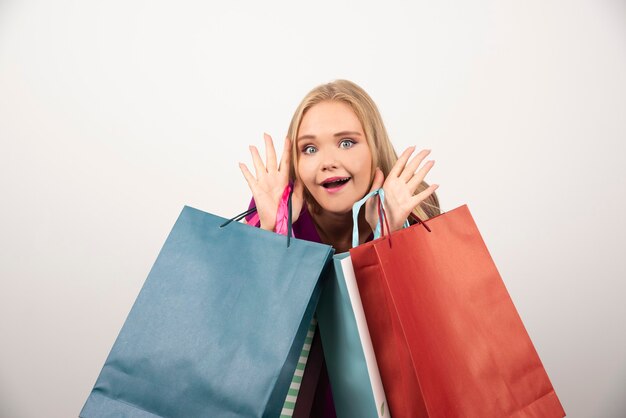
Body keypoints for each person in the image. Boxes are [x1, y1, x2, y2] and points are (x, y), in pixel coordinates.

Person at [238, 79, 440, 417]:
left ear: (374, 147)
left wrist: (389, 237)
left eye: (346, 143)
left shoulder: (411, 207)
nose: (327, 161)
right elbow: (242, 341)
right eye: (310, 149)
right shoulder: (274, 213)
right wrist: (273, 237)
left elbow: (430, 339)